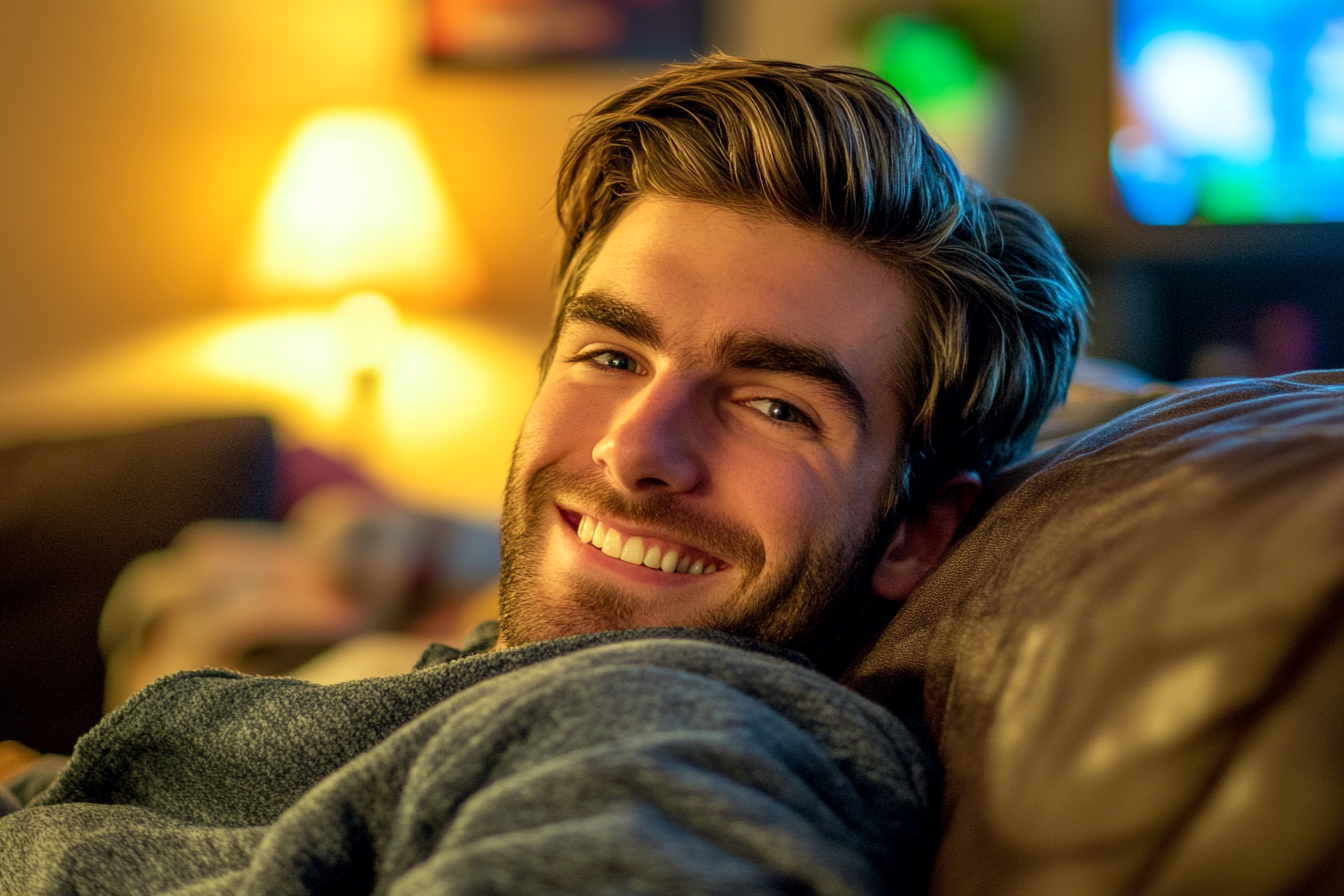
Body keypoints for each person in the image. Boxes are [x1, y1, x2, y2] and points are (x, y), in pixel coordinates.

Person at [0, 56, 1086, 895]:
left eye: (774, 405)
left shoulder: (672, 733)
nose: (634, 449)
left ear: (917, 532)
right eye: (612, 355)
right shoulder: (503, 678)